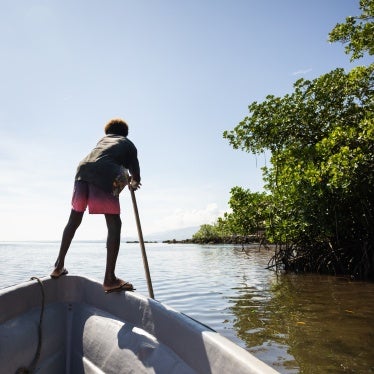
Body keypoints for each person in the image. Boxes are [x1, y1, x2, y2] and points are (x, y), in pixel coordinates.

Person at [50, 118, 141, 293]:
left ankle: (58, 266)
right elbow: (136, 175)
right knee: (114, 223)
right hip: (106, 172)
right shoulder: (128, 144)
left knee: (74, 219)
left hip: (82, 171)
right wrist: (134, 183)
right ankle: (110, 279)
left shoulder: (102, 141)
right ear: (125, 133)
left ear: (108, 132)